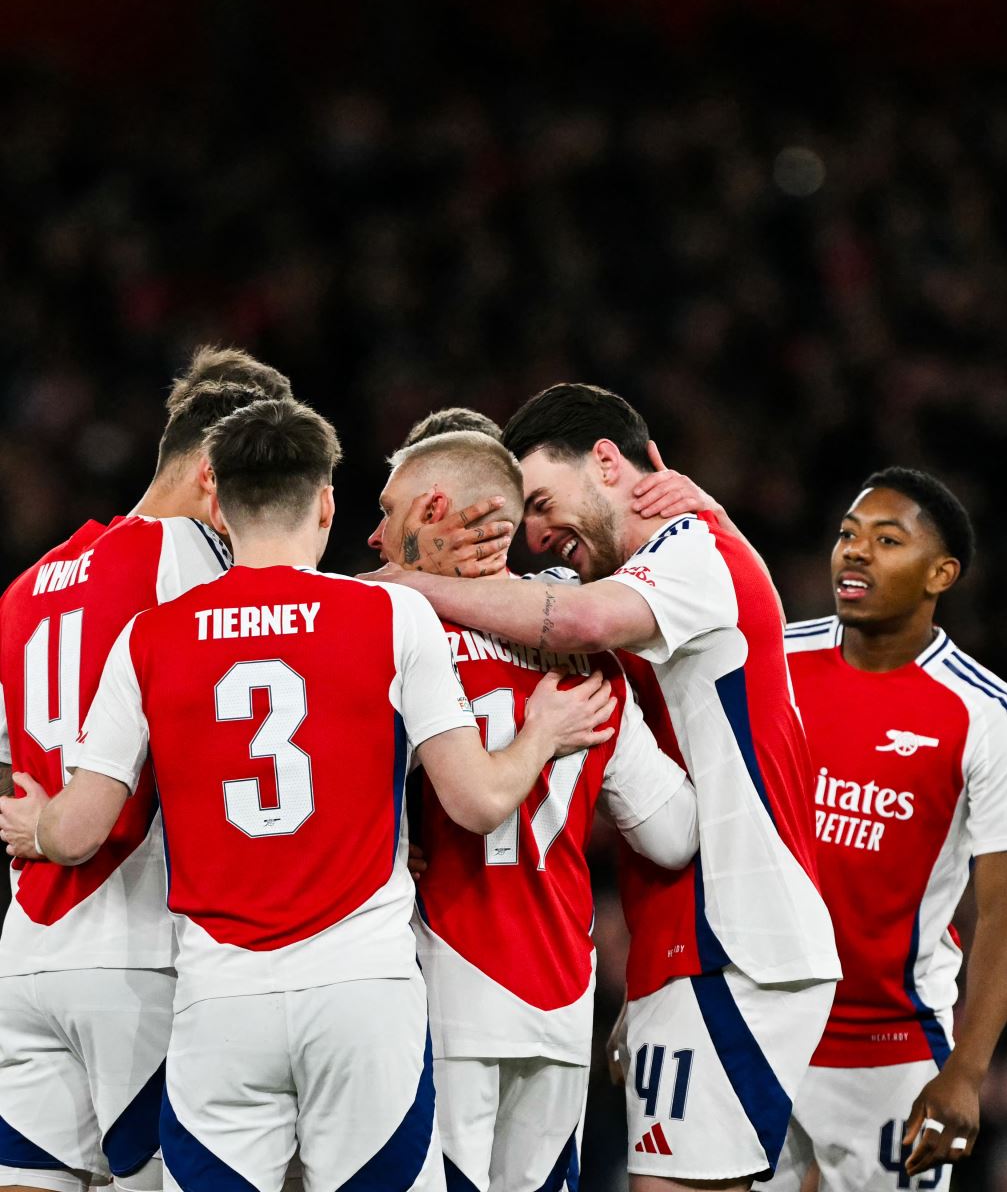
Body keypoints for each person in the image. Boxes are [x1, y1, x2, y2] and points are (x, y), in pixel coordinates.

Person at [0, 399, 617, 1191]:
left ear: (217, 503)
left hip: (221, 999)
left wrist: (36, 825)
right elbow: (478, 801)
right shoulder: (391, 614)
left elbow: (81, 826)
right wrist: (538, 734)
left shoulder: (150, 636)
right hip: (361, 990)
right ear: (326, 501)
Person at [375, 383, 839, 1191]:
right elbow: (669, 826)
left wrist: (399, 591)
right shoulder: (616, 642)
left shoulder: (690, 551)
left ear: (608, 461)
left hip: (736, 941)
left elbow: (581, 620)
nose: (539, 534)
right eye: (522, 518)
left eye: (545, 501)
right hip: (659, 957)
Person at [369, 427, 700, 1192]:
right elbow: (674, 833)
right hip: (558, 994)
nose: (376, 535)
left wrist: (394, 836)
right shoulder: (588, 659)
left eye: (389, 511)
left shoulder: (394, 633)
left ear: (440, 510)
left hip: (441, 983)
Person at [0, 348, 290, 1192]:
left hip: (29, 944)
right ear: (213, 476)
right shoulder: (191, 560)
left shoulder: (23, 589)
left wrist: (36, 825)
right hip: (144, 949)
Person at [768, 468, 1007, 1192]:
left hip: (890, 1054)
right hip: (754, 1026)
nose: (855, 553)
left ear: (941, 573)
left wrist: (967, 1071)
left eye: (886, 541)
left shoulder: (989, 712)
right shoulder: (770, 664)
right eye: (847, 535)